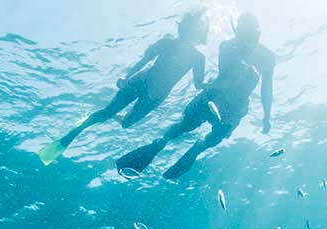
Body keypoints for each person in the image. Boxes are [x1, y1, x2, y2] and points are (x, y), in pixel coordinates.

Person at [115, 12, 274, 180]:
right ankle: (163, 143)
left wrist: (267, 117)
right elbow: (227, 78)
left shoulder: (267, 57)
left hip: (233, 103)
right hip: (214, 96)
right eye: (245, 34)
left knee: (212, 134)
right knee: (185, 125)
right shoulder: (228, 47)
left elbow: (267, 89)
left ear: (258, 33)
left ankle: (195, 147)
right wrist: (242, 75)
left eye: (253, 35)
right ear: (238, 32)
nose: (249, 40)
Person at [37, 10, 209, 165]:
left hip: (155, 96)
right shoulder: (167, 43)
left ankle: (103, 116)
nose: (190, 33)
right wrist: (126, 76)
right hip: (142, 82)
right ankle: (68, 137)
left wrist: (213, 87)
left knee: (126, 123)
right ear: (185, 28)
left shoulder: (198, 58)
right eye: (190, 28)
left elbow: (198, 84)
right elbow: (145, 61)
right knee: (108, 111)